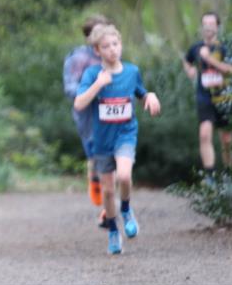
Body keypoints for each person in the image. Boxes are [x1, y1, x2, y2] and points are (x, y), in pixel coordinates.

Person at [75, 24, 161, 255]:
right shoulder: (93, 74)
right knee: (107, 191)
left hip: (126, 134)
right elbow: (79, 103)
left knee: (124, 176)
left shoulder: (132, 71)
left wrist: (150, 97)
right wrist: (98, 85)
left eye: (115, 44)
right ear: (97, 50)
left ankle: (126, 210)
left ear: (121, 45)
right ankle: (113, 231)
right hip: (103, 140)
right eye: (106, 46)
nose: (112, 50)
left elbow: (142, 93)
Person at [63, 15, 110, 211]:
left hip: (111, 113)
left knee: (112, 158)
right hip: (88, 116)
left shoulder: (112, 54)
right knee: (95, 157)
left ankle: (109, 207)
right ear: (89, 36)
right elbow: (70, 88)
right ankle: (95, 185)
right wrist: (93, 90)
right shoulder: (79, 58)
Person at [182, 11, 232, 178]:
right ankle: (210, 177)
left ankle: (229, 174)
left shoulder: (225, 47)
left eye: (211, 25)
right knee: (204, 134)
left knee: (227, 140)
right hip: (204, 97)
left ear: (218, 27)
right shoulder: (196, 48)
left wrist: (209, 59)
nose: (208, 28)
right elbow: (186, 59)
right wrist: (189, 69)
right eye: (205, 25)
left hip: (225, 98)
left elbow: (230, 69)